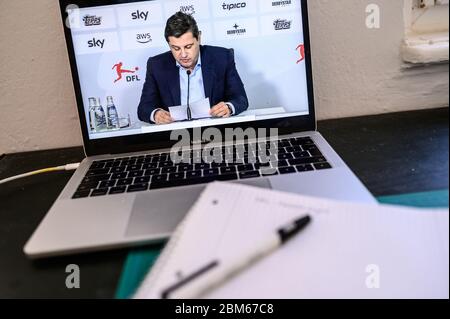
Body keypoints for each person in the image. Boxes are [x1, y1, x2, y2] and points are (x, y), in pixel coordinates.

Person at [137, 12, 249, 125]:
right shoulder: (156, 65)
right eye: (176, 48)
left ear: (199, 38)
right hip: (173, 135)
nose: (183, 54)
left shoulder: (222, 57)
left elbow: (241, 99)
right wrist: (155, 114)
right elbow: (144, 108)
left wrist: (228, 107)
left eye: (188, 46)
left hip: (216, 130)